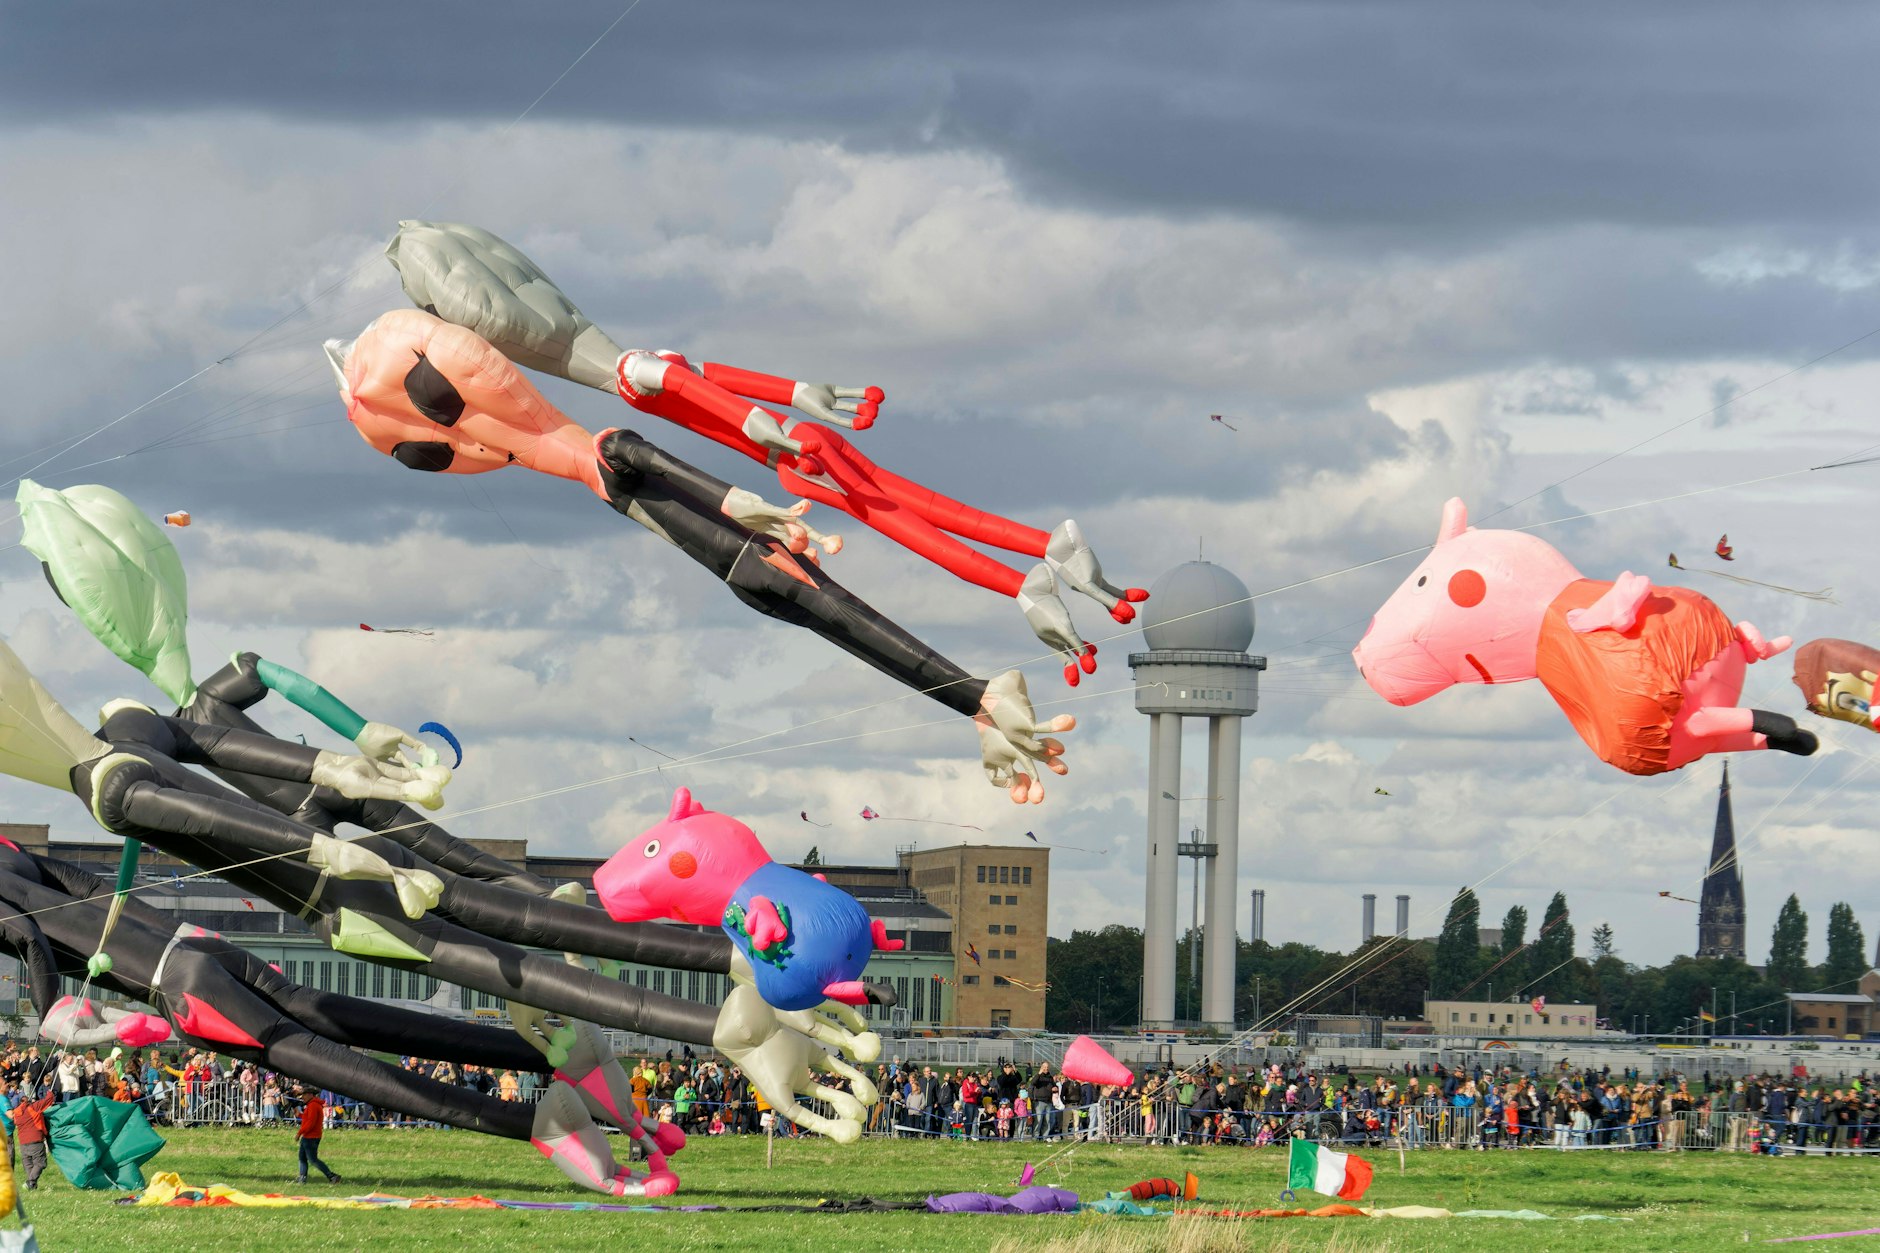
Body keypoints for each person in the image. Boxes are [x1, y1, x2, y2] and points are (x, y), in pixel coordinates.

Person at [294, 1085, 342, 1185]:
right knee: (302, 1158)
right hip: (308, 1136)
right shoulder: (312, 1105)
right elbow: (307, 1119)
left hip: (311, 1137)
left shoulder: (313, 1106)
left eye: (304, 1095)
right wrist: (300, 1115)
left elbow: (310, 1123)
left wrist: (299, 1133)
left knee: (313, 1160)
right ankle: (302, 1178)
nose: (302, 1097)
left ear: (310, 1095)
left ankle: (332, 1176)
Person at [11, 1086, 54, 1190]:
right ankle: (30, 1182)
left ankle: (32, 1186)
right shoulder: (33, 1107)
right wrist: (49, 1090)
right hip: (35, 1140)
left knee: (28, 1165)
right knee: (40, 1162)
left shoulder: (16, 1113)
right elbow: (49, 1099)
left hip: (23, 1143)